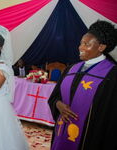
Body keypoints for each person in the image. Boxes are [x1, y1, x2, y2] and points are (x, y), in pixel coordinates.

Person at [48, 20, 117, 150]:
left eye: (86, 44)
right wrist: (58, 105)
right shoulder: (71, 69)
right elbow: (55, 96)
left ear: (101, 47)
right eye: (81, 43)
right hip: (62, 131)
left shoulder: (112, 75)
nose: (80, 47)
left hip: (90, 139)